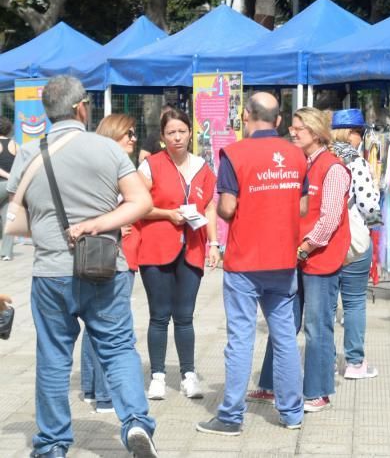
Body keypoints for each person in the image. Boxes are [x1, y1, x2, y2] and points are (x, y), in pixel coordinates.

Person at [6, 75, 158, 457]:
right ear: (81, 107)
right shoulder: (106, 150)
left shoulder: (28, 153)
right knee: (119, 347)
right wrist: (98, 224)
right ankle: (136, 423)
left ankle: (53, 443)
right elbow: (140, 202)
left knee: (54, 356)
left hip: (50, 272)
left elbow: (15, 221)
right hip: (106, 266)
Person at [196, 93, 306, 435]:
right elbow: (301, 208)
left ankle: (230, 416)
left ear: (245, 116)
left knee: (241, 338)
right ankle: (292, 413)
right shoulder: (297, 154)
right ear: (278, 120)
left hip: (245, 260)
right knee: (285, 335)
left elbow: (227, 208)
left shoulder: (234, 153)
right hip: (283, 258)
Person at [138, 109, 220, 401]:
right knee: (159, 315)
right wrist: (167, 215)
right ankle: (157, 376)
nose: (177, 137)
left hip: (192, 248)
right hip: (155, 248)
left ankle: (188, 374)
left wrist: (213, 244)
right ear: (162, 137)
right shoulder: (150, 166)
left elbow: (209, 206)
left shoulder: (202, 167)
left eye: (181, 131)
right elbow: (137, 205)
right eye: (170, 132)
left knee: (185, 315)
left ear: (190, 133)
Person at [79, 114, 140, 414]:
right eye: (128, 133)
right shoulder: (115, 169)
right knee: (111, 328)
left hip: (101, 252)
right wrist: (117, 222)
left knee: (94, 324)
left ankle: (91, 388)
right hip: (111, 255)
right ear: (114, 135)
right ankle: (104, 395)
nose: (133, 139)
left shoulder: (96, 167)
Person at [293, 107, 350, 411]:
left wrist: (303, 248)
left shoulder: (333, 168)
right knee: (286, 322)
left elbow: (329, 219)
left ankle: (318, 391)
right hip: (300, 255)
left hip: (318, 257)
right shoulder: (302, 163)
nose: (293, 133)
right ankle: (273, 384)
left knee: (317, 326)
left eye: (298, 128)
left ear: (315, 133)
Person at [329, 109, 381, 379]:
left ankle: (323, 361)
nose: (361, 139)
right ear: (351, 133)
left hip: (322, 242)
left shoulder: (321, 156)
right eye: (360, 133)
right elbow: (368, 204)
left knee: (325, 304)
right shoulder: (355, 161)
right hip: (352, 242)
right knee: (354, 302)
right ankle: (354, 363)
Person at [0, 116, 17, 261]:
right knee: (7, 218)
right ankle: (6, 253)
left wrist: (7, 175)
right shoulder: (15, 144)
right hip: (10, 187)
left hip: (1, 182)